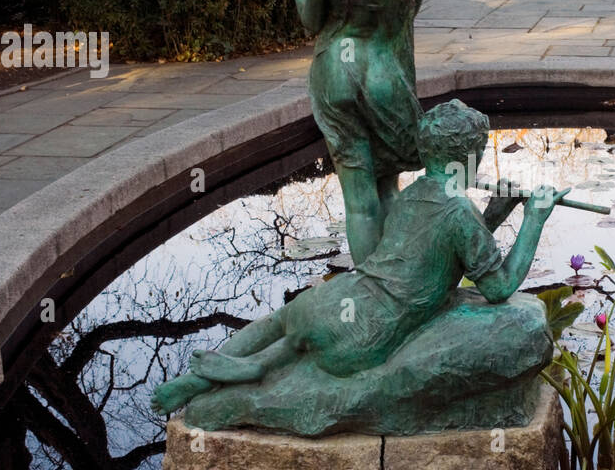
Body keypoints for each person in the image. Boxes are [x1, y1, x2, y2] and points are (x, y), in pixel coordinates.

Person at [149, 100, 570, 416]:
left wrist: (497, 209)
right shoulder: (458, 211)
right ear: (472, 158)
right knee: (307, 340)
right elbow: (496, 287)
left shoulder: (416, 194)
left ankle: (219, 373)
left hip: (338, 301)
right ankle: (258, 368)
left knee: (285, 325)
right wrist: (533, 218)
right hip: (363, 338)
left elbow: (448, 253)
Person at [253, 0, 430, 264]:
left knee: (358, 200)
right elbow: (412, 10)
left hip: (335, 71)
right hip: (385, 73)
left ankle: (370, 299)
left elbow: (311, 20)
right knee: (388, 185)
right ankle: (397, 291)